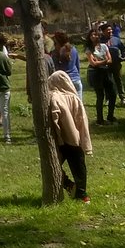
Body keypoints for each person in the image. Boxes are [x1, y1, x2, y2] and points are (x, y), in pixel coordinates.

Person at [48, 69, 91, 203]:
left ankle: (68, 184)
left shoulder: (53, 97)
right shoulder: (75, 97)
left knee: (53, 165)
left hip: (60, 139)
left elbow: (54, 119)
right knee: (79, 167)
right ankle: (82, 194)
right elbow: (82, 120)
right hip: (75, 138)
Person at [85, 28, 118, 125]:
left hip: (106, 72)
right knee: (100, 96)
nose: (94, 37)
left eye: (95, 34)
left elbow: (110, 59)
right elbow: (93, 63)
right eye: (92, 35)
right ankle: (100, 119)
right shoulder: (89, 49)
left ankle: (110, 116)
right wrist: (104, 61)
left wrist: (100, 61)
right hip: (96, 73)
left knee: (112, 94)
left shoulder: (104, 46)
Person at [102, 23, 125, 107]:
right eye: (108, 30)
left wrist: (124, 56)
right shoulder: (100, 41)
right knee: (107, 82)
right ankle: (108, 99)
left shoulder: (116, 39)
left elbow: (123, 49)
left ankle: (123, 98)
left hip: (116, 64)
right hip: (105, 64)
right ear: (103, 32)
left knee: (118, 81)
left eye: (110, 29)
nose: (110, 31)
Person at [51, 30, 83, 99]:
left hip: (64, 81)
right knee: (78, 106)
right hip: (76, 80)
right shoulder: (74, 49)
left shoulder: (55, 53)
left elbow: (55, 69)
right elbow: (77, 65)